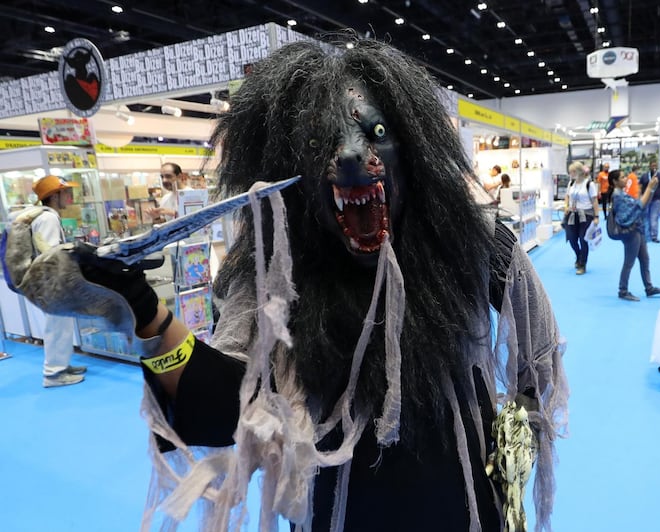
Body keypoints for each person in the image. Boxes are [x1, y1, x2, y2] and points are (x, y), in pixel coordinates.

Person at [31, 39, 568, 532]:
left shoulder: (474, 242)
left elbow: (539, 358)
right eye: (319, 142)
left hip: (461, 501)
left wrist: (513, 436)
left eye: (376, 133)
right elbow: (222, 411)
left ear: (415, 144)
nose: (352, 154)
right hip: (337, 507)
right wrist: (145, 314)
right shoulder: (272, 273)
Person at [30, 175, 87, 387]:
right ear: (54, 195)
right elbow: (51, 252)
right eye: (65, 192)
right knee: (57, 326)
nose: (69, 196)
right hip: (52, 281)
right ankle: (53, 373)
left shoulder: (46, 216)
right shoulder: (48, 218)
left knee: (60, 325)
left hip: (49, 280)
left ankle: (61, 365)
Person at [608, 170, 660, 301]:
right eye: (622, 177)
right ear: (615, 181)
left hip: (637, 230)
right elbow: (639, 205)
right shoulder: (618, 196)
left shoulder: (622, 194)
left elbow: (640, 204)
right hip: (630, 233)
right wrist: (650, 188)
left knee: (645, 259)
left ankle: (649, 287)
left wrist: (651, 190)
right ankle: (623, 290)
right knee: (629, 262)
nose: (626, 179)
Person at [563, 161, 600, 275]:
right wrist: (566, 206)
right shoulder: (571, 183)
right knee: (572, 239)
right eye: (570, 172)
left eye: (573, 171)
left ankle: (582, 264)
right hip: (572, 215)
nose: (571, 174)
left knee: (583, 240)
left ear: (579, 171)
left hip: (586, 215)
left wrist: (596, 216)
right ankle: (578, 255)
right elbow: (567, 196)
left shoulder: (589, 184)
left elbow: (594, 201)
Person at [638, 161, 660, 242]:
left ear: (657, 167)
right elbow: (640, 188)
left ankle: (654, 236)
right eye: (652, 165)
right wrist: (639, 198)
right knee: (645, 218)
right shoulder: (644, 176)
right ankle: (646, 236)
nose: (654, 167)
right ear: (649, 166)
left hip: (657, 200)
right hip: (646, 200)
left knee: (654, 218)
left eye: (655, 165)